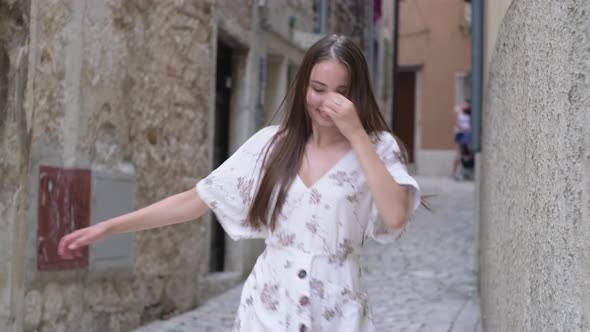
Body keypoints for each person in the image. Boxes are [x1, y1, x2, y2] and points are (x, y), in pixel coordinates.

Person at [58, 34, 421, 332]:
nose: (328, 102)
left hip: (338, 312)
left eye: (341, 91)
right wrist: (111, 226)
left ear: (357, 94)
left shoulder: (377, 149)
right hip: (267, 308)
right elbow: (198, 199)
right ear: (303, 88)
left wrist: (356, 132)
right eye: (318, 88)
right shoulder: (272, 144)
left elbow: (395, 216)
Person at [451, 102, 472, 180]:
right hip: (460, 134)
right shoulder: (459, 112)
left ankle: (464, 170)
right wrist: (463, 129)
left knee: (468, 152)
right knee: (459, 154)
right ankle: (453, 172)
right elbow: (456, 123)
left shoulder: (469, 114)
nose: (468, 106)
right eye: (466, 104)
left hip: (467, 135)